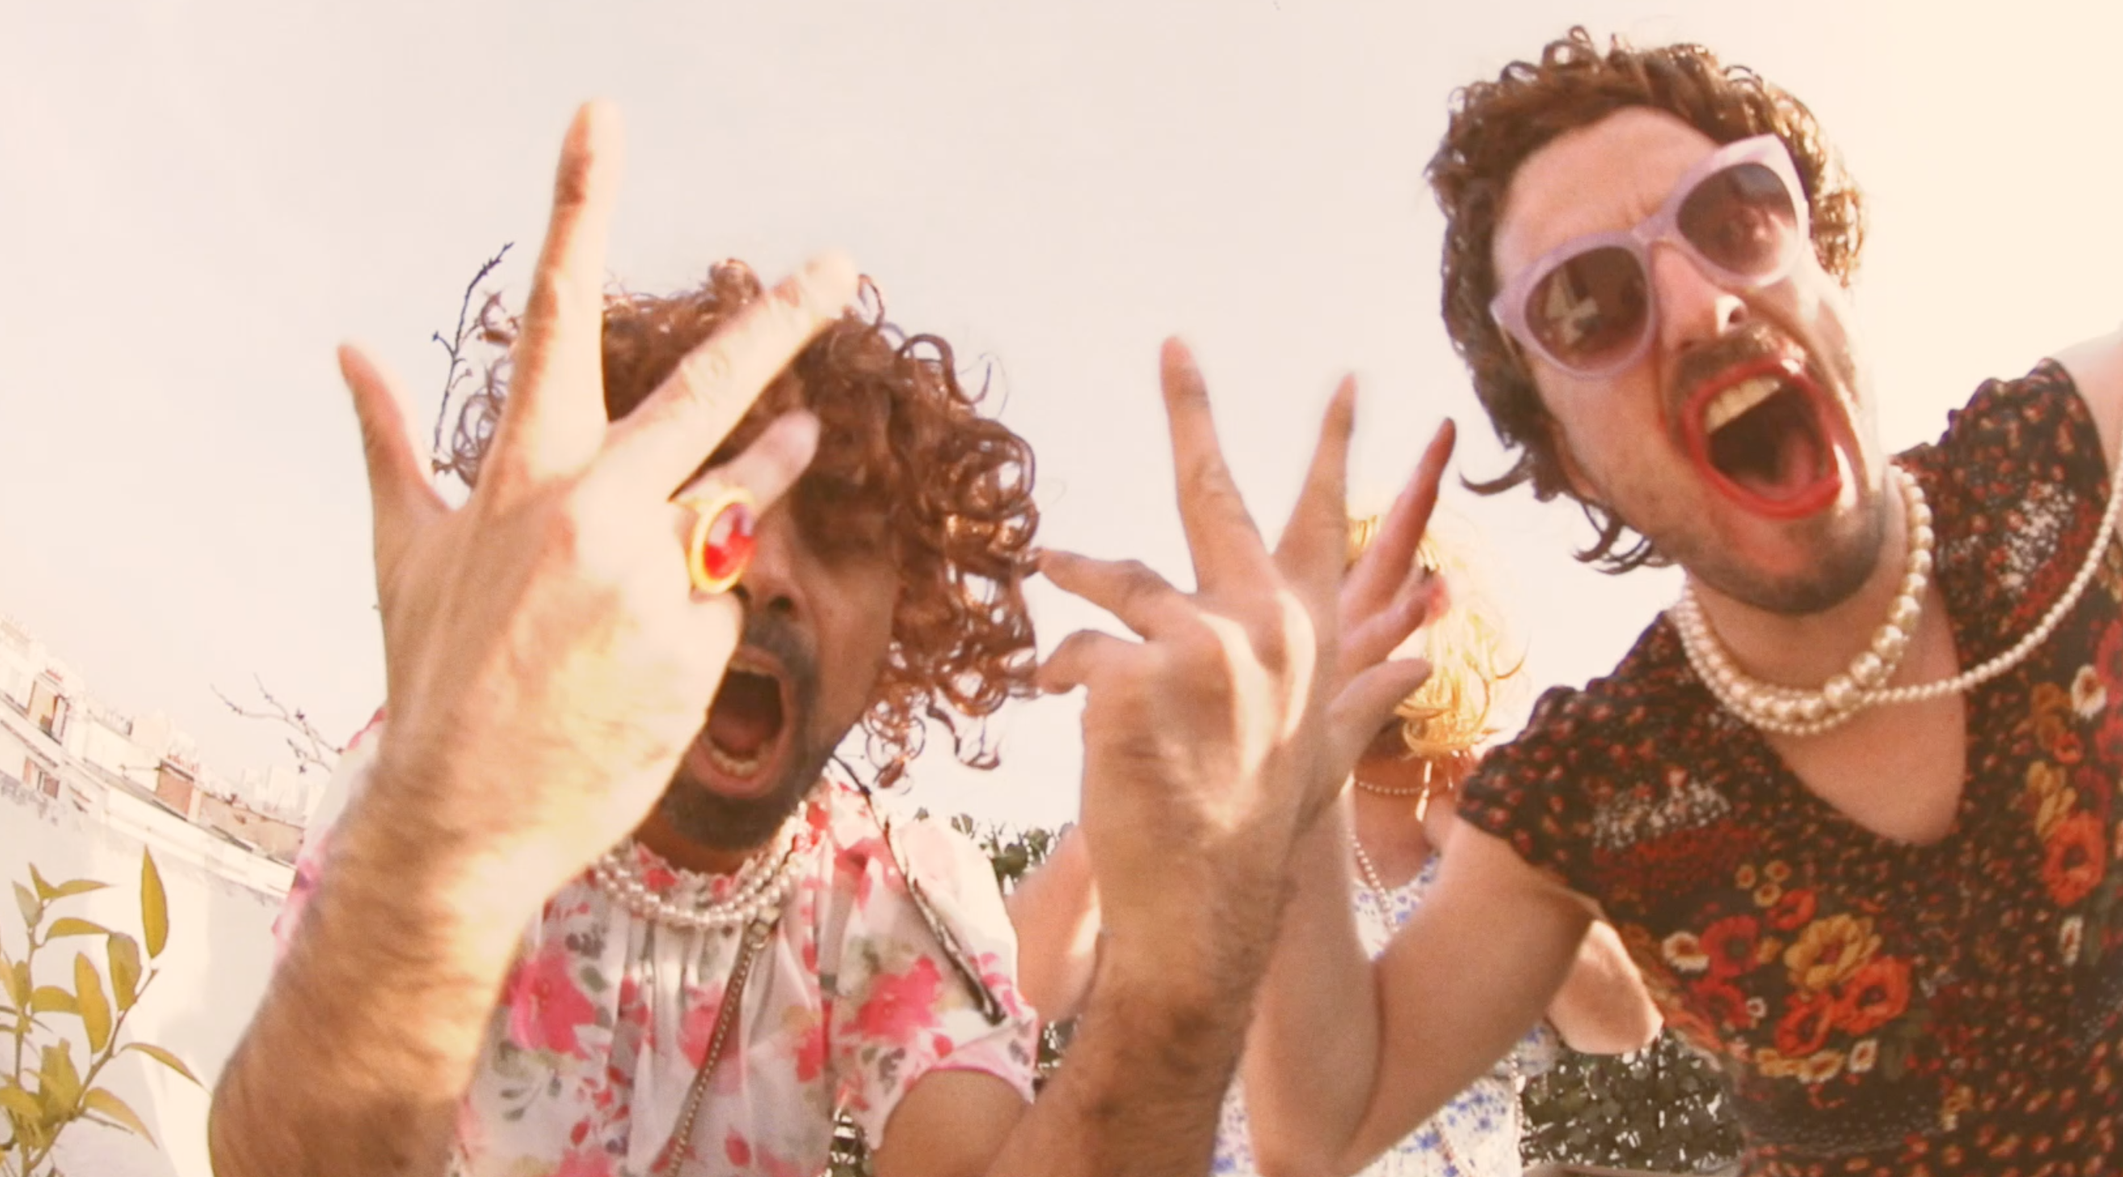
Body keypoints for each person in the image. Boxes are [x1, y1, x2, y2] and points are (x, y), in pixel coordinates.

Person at [1239, 0, 2123, 1175]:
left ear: (1824, 261)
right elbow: (1316, 1127)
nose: (1696, 305)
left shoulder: (2048, 475)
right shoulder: (1598, 788)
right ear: (1567, 454)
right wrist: (1299, 782)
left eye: (1734, 217)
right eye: (1589, 304)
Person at [207, 103, 1447, 1177]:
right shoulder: (436, 780)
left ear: (903, 629)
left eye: (844, 528)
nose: (770, 572)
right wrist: (451, 823)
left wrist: (1188, 963)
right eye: (713, 489)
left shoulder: (888, 901)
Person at [1005, 512, 1660, 1177]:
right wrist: (1126, 795)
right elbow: (1028, 991)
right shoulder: (1222, 823)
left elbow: (1621, 1024)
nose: (1364, 628)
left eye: (1403, 599)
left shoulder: (1493, 836)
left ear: (1456, 633)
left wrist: (1496, 842)